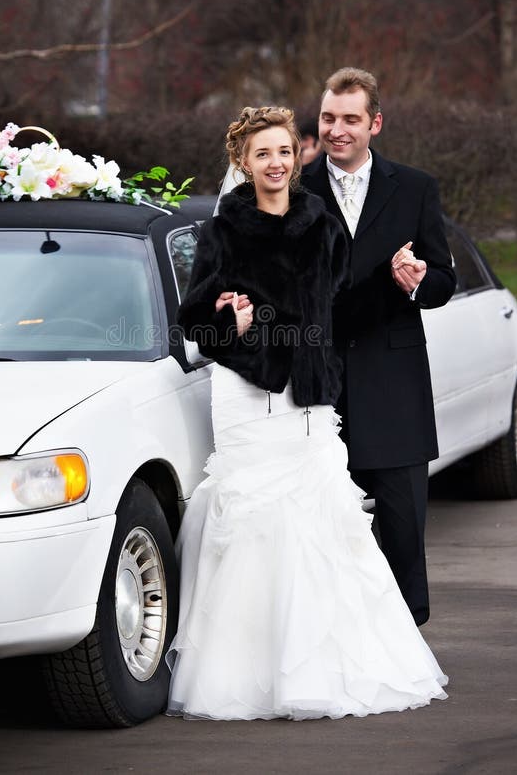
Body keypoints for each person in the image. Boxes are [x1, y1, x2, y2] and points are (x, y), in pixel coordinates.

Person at [166, 105, 447, 721]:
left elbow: (340, 310)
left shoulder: (320, 224)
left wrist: (395, 284)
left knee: (324, 523)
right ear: (243, 160)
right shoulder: (221, 233)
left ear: (299, 158)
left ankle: (330, 665)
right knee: (255, 523)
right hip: (246, 392)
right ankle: (248, 674)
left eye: (285, 152)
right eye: (263, 153)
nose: (276, 163)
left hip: (310, 396)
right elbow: (192, 324)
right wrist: (226, 324)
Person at [301, 67, 456, 627]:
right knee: (320, 524)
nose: (337, 130)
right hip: (317, 384)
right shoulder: (295, 190)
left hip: (393, 384)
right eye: (328, 118)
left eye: (349, 119)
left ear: (375, 123)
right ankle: (335, 633)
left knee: (402, 524)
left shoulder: (415, 188)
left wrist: (418, 281)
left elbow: (443, 280)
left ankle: (407, 636)